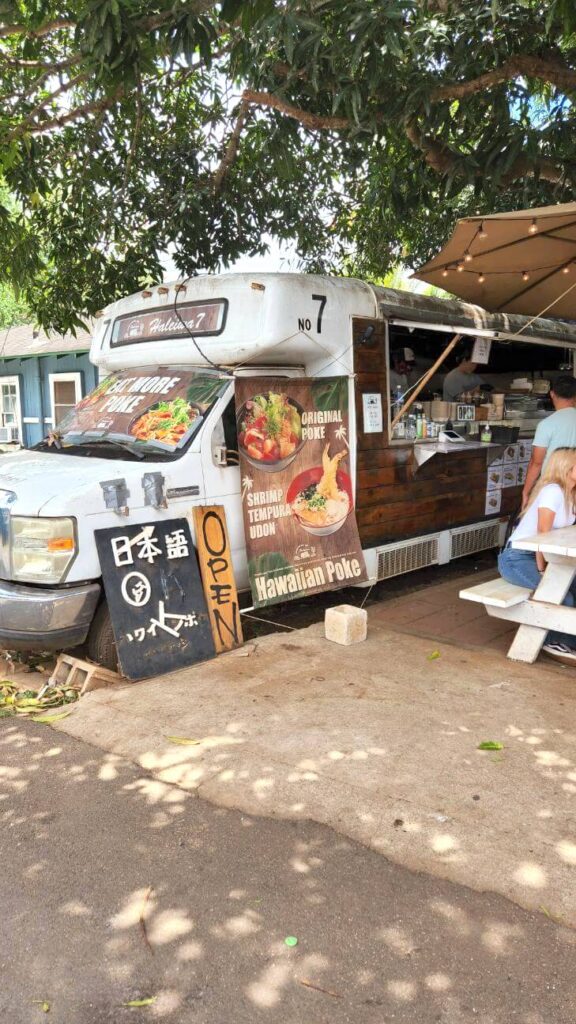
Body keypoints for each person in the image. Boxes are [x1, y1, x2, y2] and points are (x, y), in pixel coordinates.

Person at [498, 447, 576, 660]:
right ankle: (553, 642)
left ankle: (567, 638)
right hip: (518, 558)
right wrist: (543, 569)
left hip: (544, 554)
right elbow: (543, 535)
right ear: (567, 468)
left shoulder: (570, 494)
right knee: (562, 596)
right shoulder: (553, 491)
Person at [522, 374, 576, 507]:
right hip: (573, 487)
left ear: (552, 394)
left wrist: (526, 492)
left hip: (552, 489)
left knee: (548, 527)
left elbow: (536, 463)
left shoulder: (547, 425)